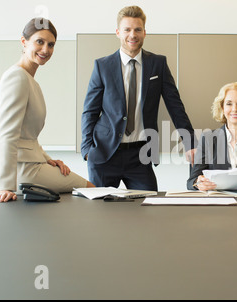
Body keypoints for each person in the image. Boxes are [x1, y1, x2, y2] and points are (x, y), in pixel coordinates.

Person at [81, 6, 196, 191]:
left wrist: (190, 142)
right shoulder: (102, 66)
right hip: (105, 154)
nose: (132, 35)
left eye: (137, 29)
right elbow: (90, 111)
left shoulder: (157, 64)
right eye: (127, 29)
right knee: (99, 214)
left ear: (144, 32)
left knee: (148, 209)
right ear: (118, 32)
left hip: (141, 155)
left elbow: (175, 106)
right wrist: (87, 150)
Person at [0, 17, 95, 203]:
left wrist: (47, 159)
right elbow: (6, 134)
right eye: (39, 42)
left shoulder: (29, 79)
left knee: (90, 190)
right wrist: (6, 186)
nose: (45, 50)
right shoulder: (17, 77)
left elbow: (27, 137)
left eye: (51, 45)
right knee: (91, 189)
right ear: (24, 42)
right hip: (21, 171)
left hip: (28, 164)